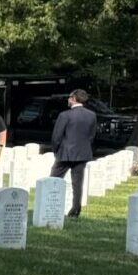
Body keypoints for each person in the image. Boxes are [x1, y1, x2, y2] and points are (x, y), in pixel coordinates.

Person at [50, 90, 96, 218]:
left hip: (65, 153)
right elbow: (91, 136)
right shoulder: (92, 115)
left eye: (69, 97)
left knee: (53, 180)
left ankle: (49, 206)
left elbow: (56, 136)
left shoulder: (64, 115)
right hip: (82, 153)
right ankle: (75, 210)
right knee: (77, 183)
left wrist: (56, 150)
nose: (68, 99)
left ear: (74, 98)